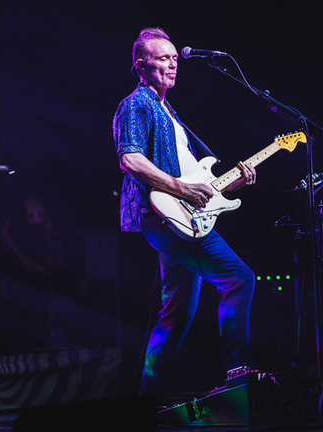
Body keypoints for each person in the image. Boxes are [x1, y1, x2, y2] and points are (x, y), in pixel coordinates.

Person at [112, 27, 257, 406]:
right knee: (239, 279)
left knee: (175, 314)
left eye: (175, 58)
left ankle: (147, 402)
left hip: (183, 216)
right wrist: (181, 190)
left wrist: (227, 186)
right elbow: (130, 159)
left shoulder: (169, 112)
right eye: (163, 58)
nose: (173, 64)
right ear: (141, 66)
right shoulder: (137, 104)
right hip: (162, 215)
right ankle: (241, 378)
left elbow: (196, 179)